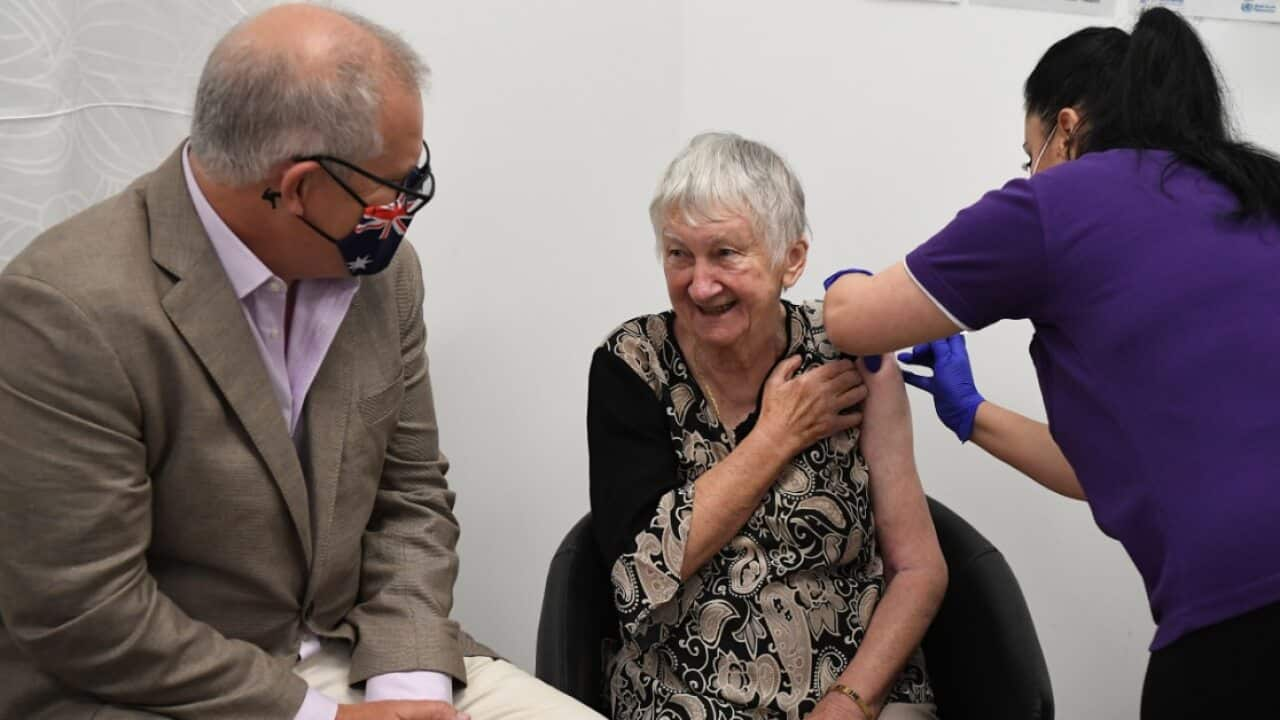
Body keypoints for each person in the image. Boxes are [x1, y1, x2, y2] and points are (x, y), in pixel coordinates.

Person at [0, 6, 600, 720]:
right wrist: (322, 718)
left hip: (364, 651)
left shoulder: (385, 276)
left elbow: (410, 499)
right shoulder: (68, 309)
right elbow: (84, 612)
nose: (403, 211)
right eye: (394, 187)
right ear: (300, 187)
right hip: (172, 691)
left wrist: (409, 686)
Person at [821, 8, 1280, 718]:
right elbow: (1099, 473)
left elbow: (853, 320)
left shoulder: (1059, 201)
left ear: (1065, 128)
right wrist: (971, 413)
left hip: (1242, 623)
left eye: (1027, 149)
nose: (1028, 169)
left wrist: (844, 286)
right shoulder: (1251, 191)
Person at [588, 132, 946, 720]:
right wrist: (776, 436)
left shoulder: (852, 354)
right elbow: (637, 575)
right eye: (679, 254)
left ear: (793, 259)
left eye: (726, 253)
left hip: (858, 693)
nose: (700, 284)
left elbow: (919, 567)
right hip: (682, 699)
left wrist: (851, 702)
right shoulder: (634, 363)